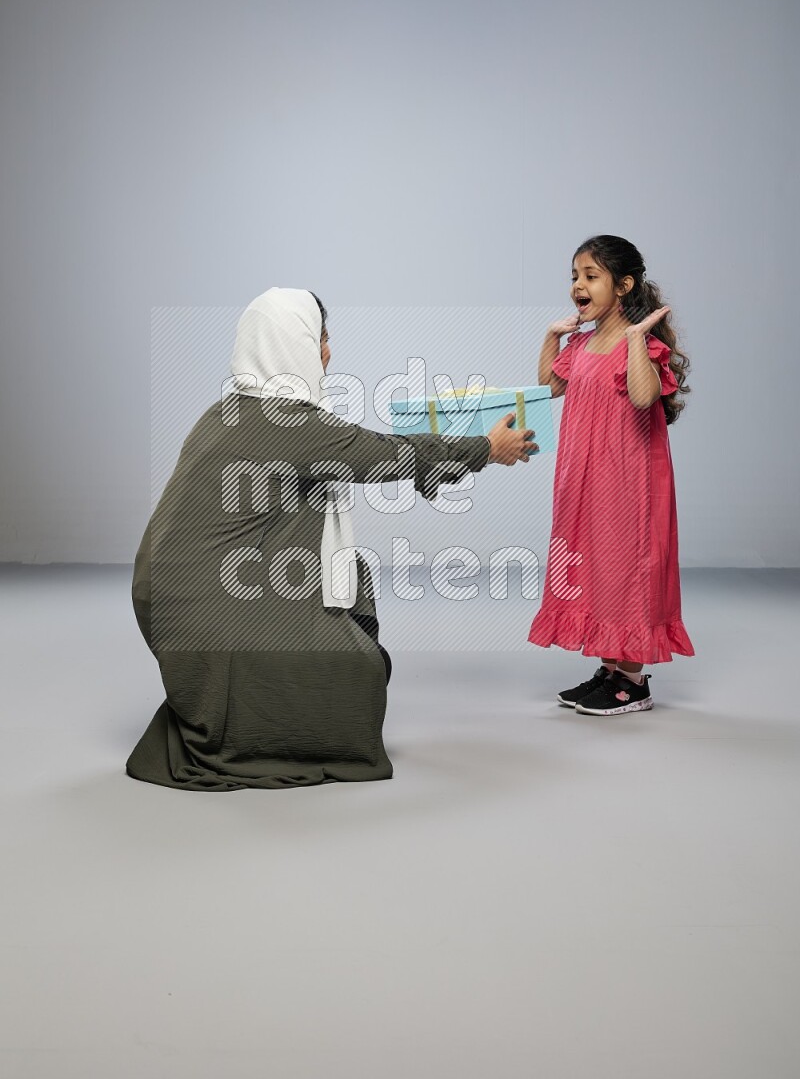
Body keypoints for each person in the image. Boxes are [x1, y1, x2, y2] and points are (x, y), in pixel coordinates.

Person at [126, 287, 536, 790]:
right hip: (204, 613)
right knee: (359, 674)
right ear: (293, 343)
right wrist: (485, 448)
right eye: (319, 338)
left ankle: (238, 701)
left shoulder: (225, 412)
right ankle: (253, 723)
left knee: (348, 577)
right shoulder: (287, 421)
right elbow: (386, 455)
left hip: (168, 602)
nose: (327, 352)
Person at [528, 235, 694, 714]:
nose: (578, 286)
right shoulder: (581, 343)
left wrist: (636, 339)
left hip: (629, 480)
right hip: (586, 478)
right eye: (574, 277)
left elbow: (643, 396)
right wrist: (551, 336)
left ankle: (633, 680)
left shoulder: (642, 345)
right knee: (597, 567)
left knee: (627, 567)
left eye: (590, 276)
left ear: (623, 286)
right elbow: (549, 387)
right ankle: (610, 669)